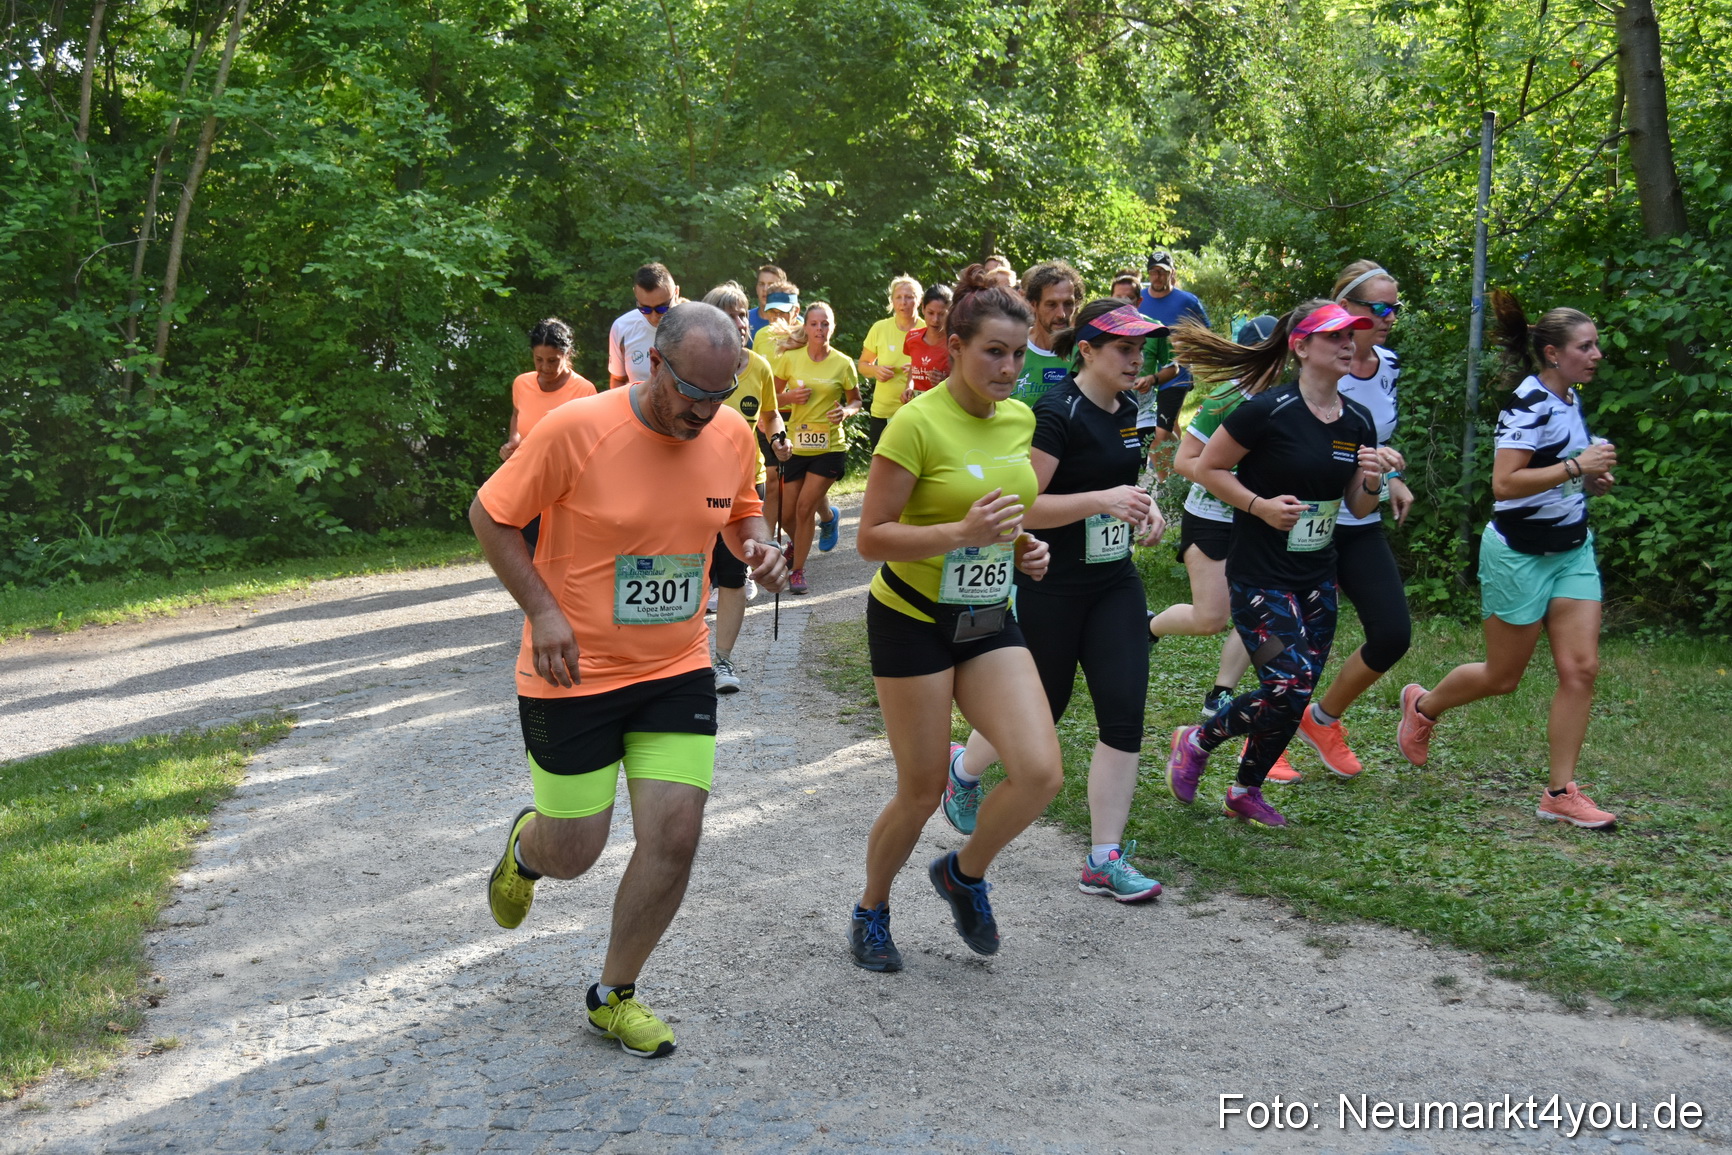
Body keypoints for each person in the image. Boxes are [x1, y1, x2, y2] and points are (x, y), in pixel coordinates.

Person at [472, 302, 790, 1058]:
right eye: (690, 391)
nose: (704, 410)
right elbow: (489, 515)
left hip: (675, 667)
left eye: (721, 394)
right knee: (575, 851)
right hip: (571, 669)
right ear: (654, 364)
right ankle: (527, 849)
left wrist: (759, 547)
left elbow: (741, 512)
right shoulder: (575, 429)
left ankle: (615, 992)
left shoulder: (731, 433)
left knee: (676, 835)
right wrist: (543, 613)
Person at [849, 263, 1060, 971]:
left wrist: (1024, 547)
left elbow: (1006, 515)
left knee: (1039, 772)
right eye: (993, 352)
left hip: (986, 615)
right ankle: (872, 907)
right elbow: (871, 536)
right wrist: (955, 535)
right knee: (918, 789)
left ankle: (963, 873)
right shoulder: (916, 423)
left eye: (1018, 353)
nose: (1008, 367)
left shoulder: (1020, 418)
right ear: (957, 348)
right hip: (911, 616)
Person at [952, 300, 1167, 903]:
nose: (1135, 359)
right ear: (1088, 351)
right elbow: (1024, 506)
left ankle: (1104, 858)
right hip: (1053, 583)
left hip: (1114, 582)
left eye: (1140, 349)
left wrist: (1145, 509)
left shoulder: (1131, 411)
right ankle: (963, 771)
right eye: (1123, 348)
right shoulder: (1054, 412)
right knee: (1042, 707)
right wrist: (1103, 500)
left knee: (1123, 711)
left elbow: (1128, 485)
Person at [1396, 293, 1618, 829]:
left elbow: (1556, 470)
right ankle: (1424, 706)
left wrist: (1589, 479)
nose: (1596, 355)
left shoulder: (1567, 399)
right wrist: (1574, 466)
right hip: (1518, 554)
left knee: (1581, 669)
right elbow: (1505, 484)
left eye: (1595, 346)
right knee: (1502, 676)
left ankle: (1560, 792)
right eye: (1585, 347)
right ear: (1552, 353)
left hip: (1570, 550)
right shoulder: (1528, 401)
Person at [1163, 300, 1383, 828]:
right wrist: (1259, 506)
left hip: (1316, 578)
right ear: (1301, 346)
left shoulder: (1358, 420)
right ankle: (1199, 739)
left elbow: (1358, 506)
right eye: (1334, 337)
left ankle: (1245, 790)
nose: (1348, 344)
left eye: (1351, 336)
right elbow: (1206, 467)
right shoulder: (1267, 410)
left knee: (1298, 689)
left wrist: (1373, 476)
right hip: (1259, 579)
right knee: (1287, 686)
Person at [1155, 314, 1300, 784]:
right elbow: (1184, 461)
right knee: (1210, 618)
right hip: (1213, 517)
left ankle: (1223, 695)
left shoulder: (1294, 400)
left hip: (1260, 523)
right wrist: (1244, 486)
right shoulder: (1228, 397)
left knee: (1260, 611)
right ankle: (1149, 626)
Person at [1292, 262, 1416, 777]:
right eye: (1378, 308)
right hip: (1309, 517)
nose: (1389, 318)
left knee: (1392, 634)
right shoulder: (1320, 364)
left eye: (1395, 308)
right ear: (1346, 310)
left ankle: (1321, 718)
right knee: (1291, 640)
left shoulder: (1388, 365)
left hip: (1360, 517)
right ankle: (1254, 742)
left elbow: (1373, 444)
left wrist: (1390, 478)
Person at [702, 282, 792, 693]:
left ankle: (722, 661)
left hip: (743, 480)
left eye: (743, 314)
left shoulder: (759, 367)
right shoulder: (694, 365)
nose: (742, 322)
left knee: (733, 572)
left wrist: (778, 437)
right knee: (694, 572)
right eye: (732, 315)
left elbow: (769, 415)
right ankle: (679, 661)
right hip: (693, 481)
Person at [773, 302, 860, 594]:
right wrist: (790, 397)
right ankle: (802, 544)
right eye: (814, 324)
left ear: (832, 327)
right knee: (785, 514)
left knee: (804, 507)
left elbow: (856, 401)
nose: (820, 329)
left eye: (825, 324)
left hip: (830, 447)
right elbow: (770, 397)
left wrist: (846, 412)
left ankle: (797, 570)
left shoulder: (843, 362)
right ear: (806, 327)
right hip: (797, 444)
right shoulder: (790, 359)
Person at [500, 318, 598, 555]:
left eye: (553, 361)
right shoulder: (522, 383)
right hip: (526, 480)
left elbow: (591, 445)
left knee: (559, 554)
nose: (545, 367)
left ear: (567, 354)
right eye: (538, 360)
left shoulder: (584, 391)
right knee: (524, 550)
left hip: (564, 490)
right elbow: (516, 414)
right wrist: (514, 439)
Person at [1135, 251, 1211, 468]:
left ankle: (1166, 472)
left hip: (1177, 371)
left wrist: (1186, 343)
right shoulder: (1138, 298)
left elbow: (1206, 332)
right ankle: (1175, 462)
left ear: (1172, 273)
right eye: (1153, 272)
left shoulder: (1187, 301)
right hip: (1143, 372)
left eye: (1162, 272)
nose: (1157, 277)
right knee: (1168, 424)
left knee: (1161, 430)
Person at [859, 275, 921, 450]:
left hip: (917, 410)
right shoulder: (880, 328)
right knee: (881, 463)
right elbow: (863, 365)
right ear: (892, 301)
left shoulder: (927, 329)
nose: (904, 302)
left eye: (909, 297)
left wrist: (918, 370)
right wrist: (876, 370)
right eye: (899, 297)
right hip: (883, 411)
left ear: (919, 300)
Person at [1012, 260, 1082, 404]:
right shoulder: (1013, 348)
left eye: (1068, 304)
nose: (1061, 314)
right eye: (1051, 304)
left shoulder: (1086, 352)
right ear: (1033, 305)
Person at [608, 263, 679, 390]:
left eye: (662, 308)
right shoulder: (622, 327)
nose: (654, 316)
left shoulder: (694, 326)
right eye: (645, 309)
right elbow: (618, 380)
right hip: (637, 408)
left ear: (676, 293)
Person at [903, 284, 953, 396]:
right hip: (918, 406)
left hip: (944, 405)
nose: (935, 320)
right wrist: (908, 387)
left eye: (941, 314)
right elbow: (914, 366)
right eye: (931, 313)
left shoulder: (956, 343)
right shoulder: (912, 337)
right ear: (923, 309)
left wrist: (946, 382)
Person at [747, 264, 786, 340]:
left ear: (782, 289)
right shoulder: (745, 319)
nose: (765, 289)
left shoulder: (794, 322)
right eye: (761, 284)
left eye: (771, 285)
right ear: (756, 288)